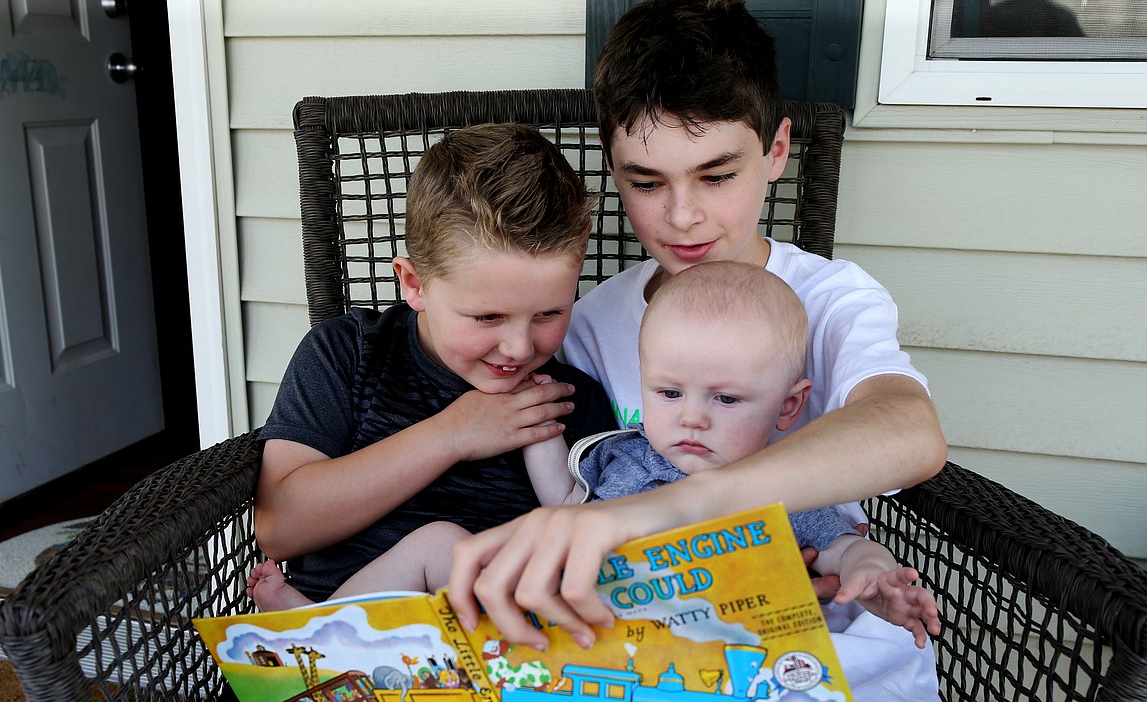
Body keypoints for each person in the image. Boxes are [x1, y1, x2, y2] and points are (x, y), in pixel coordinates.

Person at [445, 2, 1053, 702]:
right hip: (652, 699)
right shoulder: (591, 323)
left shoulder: (831, 299)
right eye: (646, 180)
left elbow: (909, 431)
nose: (682, 215)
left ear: (776, 149)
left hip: (855, 695)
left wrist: (681, 504)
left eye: (716, 172)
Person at [162, 122, 617, 702]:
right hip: (317, 679)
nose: (519, 346)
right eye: (486, 317)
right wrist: (452, 433)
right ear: (412, 282)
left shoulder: (571, 402)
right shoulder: (347, 355)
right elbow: (282, 522)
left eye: (548, 314)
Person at [250, 263, 940, 651]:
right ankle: (314, 629)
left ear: (788, 409)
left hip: (656, 657)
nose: (692, 416)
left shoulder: (785, 485)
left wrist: (878, 576)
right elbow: (564, 502)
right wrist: (534, 420)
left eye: (726, 400)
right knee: (441, 542)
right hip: (564, 620)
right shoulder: (619, 452)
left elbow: (845, 548)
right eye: (668, 392)